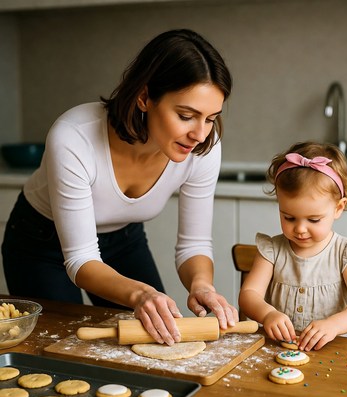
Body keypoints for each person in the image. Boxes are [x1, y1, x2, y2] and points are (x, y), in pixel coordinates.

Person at [1, 29, 238, 346]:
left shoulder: (202, 147)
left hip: (124, 239)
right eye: (186, 115)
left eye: (211, 118)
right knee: (59, 346)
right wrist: (141, 293)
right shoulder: (74, 138)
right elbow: (82, 259)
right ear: (144, 98)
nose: (200, 133)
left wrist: (201, 284)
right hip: (41, 243)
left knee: (154, 338)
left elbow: (193, 245)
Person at [239, 141, 347, 351]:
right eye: (289, 217)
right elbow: (249, 294)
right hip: (279, 351)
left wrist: (334, 324)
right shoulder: (272, 251)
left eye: (313, 220)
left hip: (340, 353)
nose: (300, 229)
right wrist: (267, 314)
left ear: (338, 208)